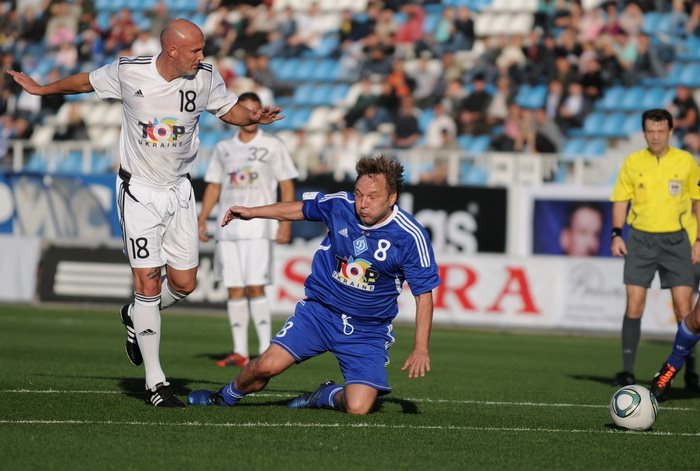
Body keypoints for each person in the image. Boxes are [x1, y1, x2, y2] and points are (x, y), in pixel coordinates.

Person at [6, 19, 283, 408]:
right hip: (139, 191)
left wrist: (251, 117)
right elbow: (84, 82)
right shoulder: (128, 71)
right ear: (172, 50)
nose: (202, 56)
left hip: (180, 190)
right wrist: (41, 88)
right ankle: (156, 382)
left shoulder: (205, 76)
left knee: (184, 284)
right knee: (148, 282)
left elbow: (227, 110)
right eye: (195, 50)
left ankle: (135, 315)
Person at [188, 155, 441, 415]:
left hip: (367, 330)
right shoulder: (340, 205)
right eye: (358, 194)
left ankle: (325, 395)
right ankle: (224, 397)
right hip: (319, 314)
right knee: (266, 366)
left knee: (358, 407)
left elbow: (424, 297)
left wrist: (420, 348)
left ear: (392, 198)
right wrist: (253, 213)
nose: (363, 204)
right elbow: (299, 209)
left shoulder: (410, 236)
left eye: (373, 197)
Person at [198, 91, 298, 368]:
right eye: (247, 109)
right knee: (233, 288)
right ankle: (240, 351)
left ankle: (266, 349)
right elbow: (214, 185)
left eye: (256, 108)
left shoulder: (273, 145)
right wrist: (203, 218)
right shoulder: (224, 147)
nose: (253, 114)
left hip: (259, 227)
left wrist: (285, 222)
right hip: (228, 228)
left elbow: (286, 184)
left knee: (256, 285)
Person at [608, 109, 700, 392]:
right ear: (644, 132)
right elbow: (621, 200)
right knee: (634, 303)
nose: (656, 136)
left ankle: (690, 372)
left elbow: (698, 202)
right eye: (650, 131)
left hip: (677, 241)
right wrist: (616, 234)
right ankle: (627, 371)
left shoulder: (686, 161)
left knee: (684, 308)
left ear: (671, 132)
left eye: (661, 131)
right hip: (641, 240)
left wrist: (699, 240)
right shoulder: (632, 162)